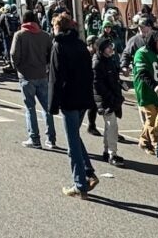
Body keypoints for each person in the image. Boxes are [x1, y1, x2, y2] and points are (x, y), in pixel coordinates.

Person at [47, 12, 97, 198]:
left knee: (72, 143)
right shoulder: (80, 44)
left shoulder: (58, 45)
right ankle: (88, 172)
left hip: (69, 98)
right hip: (83, 97)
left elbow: (55, 77)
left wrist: (52, 105)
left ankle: (80, 184)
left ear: (58, 27)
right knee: (75, 136)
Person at [10, 10, 57, 149]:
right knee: (47, 108)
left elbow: (14, 54)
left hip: (26, 74)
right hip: (42, 74)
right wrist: (47, 65)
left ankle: (34, 138)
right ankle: (51, 139)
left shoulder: (20, 35)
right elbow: (51, 52)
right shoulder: (45, 35)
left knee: (30, 107)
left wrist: (17, 66)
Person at [131, 32, 158, 155]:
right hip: (147, 91)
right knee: (153, 118)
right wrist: (154, 86)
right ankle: (157, 145)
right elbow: (143, 72)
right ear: (153, 42)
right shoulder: (141, 53)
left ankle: (144, 141)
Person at [92, 38, 126, 167]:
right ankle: (113, 154)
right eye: (108, 47)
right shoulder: (97, 63)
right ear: (101, 50)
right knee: (112, 125)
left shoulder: (108, 60)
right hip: (105, 100)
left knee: (108, 126)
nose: (111, 49)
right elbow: (98, 85)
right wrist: (112, 98)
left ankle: (107, 151)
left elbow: (114, 77)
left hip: (112, 98)